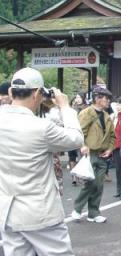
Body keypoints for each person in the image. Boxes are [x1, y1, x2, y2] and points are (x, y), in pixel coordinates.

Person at [0, 67, 83, 255]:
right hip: (40, 213)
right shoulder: (42, 127)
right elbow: (76, 138)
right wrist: (64, 106)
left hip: (7, 211)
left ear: (11, 92)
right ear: (38, 93)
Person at [71, 85, 115, 223]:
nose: (108, 101)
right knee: (90, 183)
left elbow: (112, 136)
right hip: (89, 153)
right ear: (97, 98)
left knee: (98, 184)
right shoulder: (86, 113)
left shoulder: (107, 116)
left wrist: (110, 149)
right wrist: (83, 146)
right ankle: (77, 209)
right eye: (106, 98)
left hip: (102, 153)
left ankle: (93, 212)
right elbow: (79, 132)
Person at [69, 92, 88, 185]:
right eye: (76, 97)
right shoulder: (72, 108)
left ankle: (81, 175)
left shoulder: (86, 108)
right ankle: (74, 177)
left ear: (83, 98)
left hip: (81, 134)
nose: (77, 99)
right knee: (72, 156)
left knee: (81, 155)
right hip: (71, 132)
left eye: (79, 97)